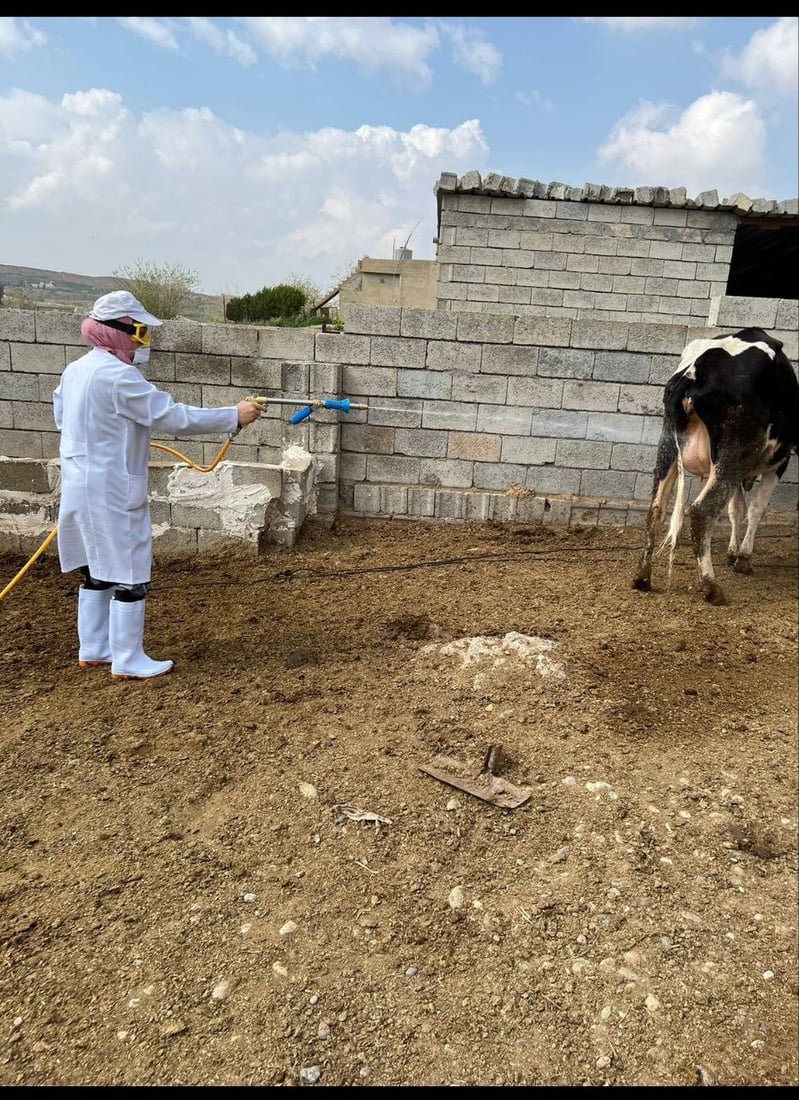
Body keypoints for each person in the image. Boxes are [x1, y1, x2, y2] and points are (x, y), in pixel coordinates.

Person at [52, 290, 263, 681]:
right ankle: (128, 659)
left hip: (79, 483)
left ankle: (94, 647)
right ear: (117, 330)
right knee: (130, 571)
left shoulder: (76, 369)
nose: (142, 339)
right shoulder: (118, 376)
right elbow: (172, 416)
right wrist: (233, 415)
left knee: (97, 567)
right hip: (112, 488)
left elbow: (62, 417)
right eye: (138, 331)